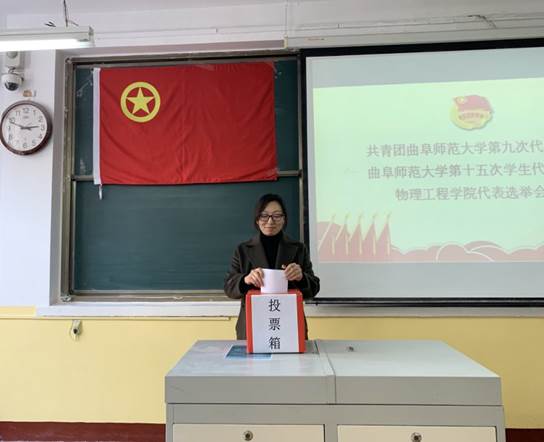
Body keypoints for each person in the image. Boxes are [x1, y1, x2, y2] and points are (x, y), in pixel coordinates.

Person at [224, 193, 320, 340]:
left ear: (284, 219)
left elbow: (313, 288)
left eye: (277, 215)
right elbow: (229, 288)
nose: (270, 221)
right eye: (264, 216)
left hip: (289, 325)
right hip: (253, 325)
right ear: (257, 219)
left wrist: (301, 277)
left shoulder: (299, 249)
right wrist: (245, 279)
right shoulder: (243, 250)